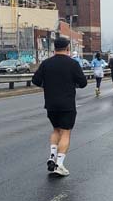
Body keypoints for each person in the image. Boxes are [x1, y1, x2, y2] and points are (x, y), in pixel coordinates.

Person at [32, 36, 88, 176]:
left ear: (54, 49)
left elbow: (36, 80)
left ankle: (52, 156)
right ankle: (59, 164)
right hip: (67, 104)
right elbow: (83, 83)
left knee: (56, 130)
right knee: (66, 132)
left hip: (50, 103)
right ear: (68, 48)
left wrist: (47, 85)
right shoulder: (73, 64)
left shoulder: (46, 63)